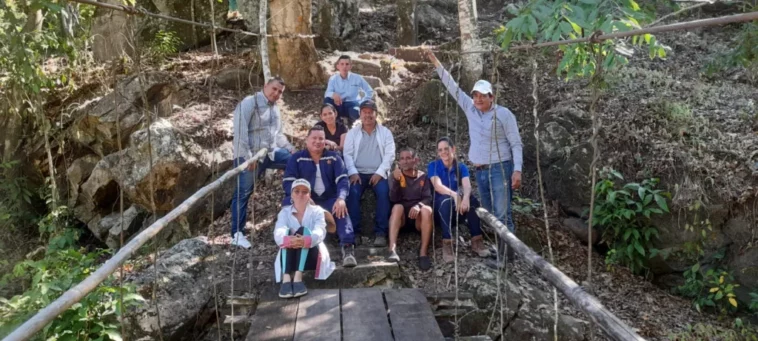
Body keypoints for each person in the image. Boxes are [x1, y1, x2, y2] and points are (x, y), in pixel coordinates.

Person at [426, 50, 523, 262]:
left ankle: (507, 258)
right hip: (480, 171)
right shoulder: (471, 109)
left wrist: (517, 169)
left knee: (502, 214)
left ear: (491, 97)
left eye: (482, 96)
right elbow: (452, 87)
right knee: (488, 212)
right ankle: (502, 252)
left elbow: (516, 143)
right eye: (475, 95)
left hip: (500, 169)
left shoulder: (504, 114)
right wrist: (436, 63)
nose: (478, 99)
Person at [230, 77, 295, 249]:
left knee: (297, 162)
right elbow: (240, 131)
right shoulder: (250, 103)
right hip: (249, 157)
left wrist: (290, 148)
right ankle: (237, 234)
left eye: (280, 92)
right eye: (274, 89)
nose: (276, 93)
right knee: (242, 193)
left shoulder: (275, 109)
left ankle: (296, 210)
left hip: (270, 154)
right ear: (265, 86)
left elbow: (278, 135)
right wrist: (248, 156)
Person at [282, 126, 357, 268]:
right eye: (314, 138)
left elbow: (342, 179)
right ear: (307, 140)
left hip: (329, 198)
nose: (317, 141)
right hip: (305, 198)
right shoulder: (297, 158)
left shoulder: (334, 157)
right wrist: (302, 196)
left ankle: (347, 249)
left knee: (340, 208)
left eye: (321, 138)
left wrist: (341, 198)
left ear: (325, 141)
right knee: (287, 203)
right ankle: (291, 245)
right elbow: (288, 182)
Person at [428, 137, 491, 263]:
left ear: (453, 149)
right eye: (440, 150)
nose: (443, 152)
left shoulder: (461, 167)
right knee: (446, 201)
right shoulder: (433, 166)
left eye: (446, 148)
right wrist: (455, 195)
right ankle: (447, 244)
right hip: (439, 210)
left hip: (457, 209)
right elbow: (438, 186)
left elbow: (467, 186)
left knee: (473, 202)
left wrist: (466, 197)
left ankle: (477, 241)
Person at [344, 100, 396, 247]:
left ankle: (380, 233)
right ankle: (355, 232)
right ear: (360, 114)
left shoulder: (385, 133)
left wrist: (380, 173)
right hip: (358, 173)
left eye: (370, 112)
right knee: (352, 193)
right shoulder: (352, 133)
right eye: (364, 112)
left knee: (384, 193)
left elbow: (390, 155)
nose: (367, 115)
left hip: (377, 173)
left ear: (376, 114)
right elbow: (347, 154)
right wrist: (353, 172)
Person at [274, 179, 335, 298]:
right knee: (286, 234)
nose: (300, 194)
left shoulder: (317, 211)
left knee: (303, 231)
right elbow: (278, 231)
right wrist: (290, 240)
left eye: (304, 192)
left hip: (312, 256)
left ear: (309, 195)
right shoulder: (284, 212)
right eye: (297, 191)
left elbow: (320, 230)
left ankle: (298, 278)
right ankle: (286, 278)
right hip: (290, 257)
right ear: (291, 194)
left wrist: (306, 240)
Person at [387, 147, 433, 271]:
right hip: (402, 218)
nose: (405, 161)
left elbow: (428, 198)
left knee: (427, 210)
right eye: (402, 158)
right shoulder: (396, 175)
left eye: (408, 158)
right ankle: (392, 249)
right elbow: (393, 199)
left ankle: (423, 252)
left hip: (417, 218)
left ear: (415, 160)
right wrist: (396, 181)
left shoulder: (423, 177)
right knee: (397, 207)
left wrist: (419, 206)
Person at [324, 55, 374, 125]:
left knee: (355, 112)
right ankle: (336, 122)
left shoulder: (357, 78)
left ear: (350, 66)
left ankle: (351, 123)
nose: (344, 66)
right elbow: (327, 93)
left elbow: (369, 91)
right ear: (338, 66)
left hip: (352, 104)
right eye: (342, 64)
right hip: (338, 104)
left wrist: (362, 102)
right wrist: (333, 94)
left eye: (347, 64)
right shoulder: (333, 79)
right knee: (327, 100)